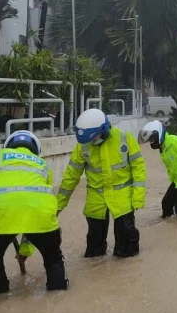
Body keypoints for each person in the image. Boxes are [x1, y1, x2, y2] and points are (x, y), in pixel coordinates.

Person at [0, 130, 68, 295]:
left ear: (8, 146)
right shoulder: (43, 164)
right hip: (41, 216)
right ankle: (58, 294)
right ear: (35, 149)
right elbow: (33, 215)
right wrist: (25, 252)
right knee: (53, 261)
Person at [58, 108, 146, 258]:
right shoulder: (83, 145)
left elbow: (139, 168)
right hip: (96, 199)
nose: (92, 141)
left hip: (122, 196)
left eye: (95, 137)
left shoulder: (124, 138)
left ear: (104, 130)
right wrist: (58, 205)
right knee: (94, 249)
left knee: (127, 246)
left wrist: (138, 197)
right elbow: (71, 177)